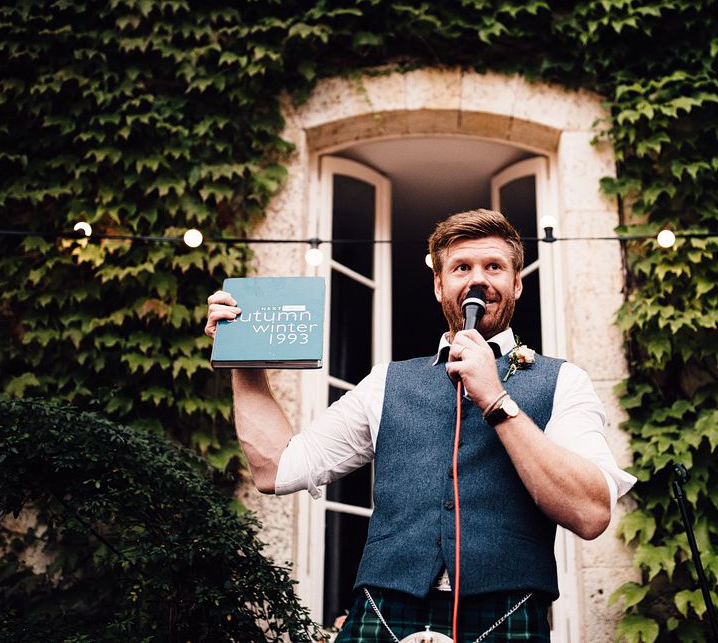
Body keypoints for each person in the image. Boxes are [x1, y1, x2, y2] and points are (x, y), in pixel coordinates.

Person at [205, 209, 636, 642]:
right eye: (461, 268)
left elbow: (591, 512)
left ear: (517, 284)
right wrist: (242, 355)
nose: (478, 280)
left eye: (494, 267)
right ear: (439, 286)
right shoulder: (387, 382)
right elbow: (275, 467)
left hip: (507, 612)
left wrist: (496, 399)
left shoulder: (563, 380)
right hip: (384, 610)